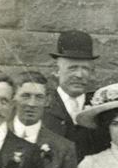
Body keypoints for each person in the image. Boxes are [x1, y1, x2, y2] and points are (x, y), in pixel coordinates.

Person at [12, 70, 78, 168]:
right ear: (14, 96)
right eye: (26, 96)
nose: (32, 104)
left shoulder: (64, 148)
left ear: (47, 101)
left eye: (39, 97)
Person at [42, 30, 103, 160]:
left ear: (92, 72)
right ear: (56, 70)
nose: (79, 75)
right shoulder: (43, 106)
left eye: (85, 68)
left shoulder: (100, 107)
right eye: (72, 68)